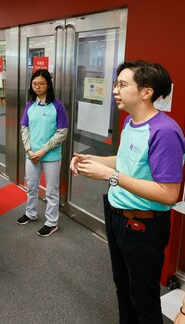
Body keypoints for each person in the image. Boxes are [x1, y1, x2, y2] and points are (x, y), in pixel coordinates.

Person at [70, 61, 185, 323]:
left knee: (143, 298)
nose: (115, 90)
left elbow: (168, 194)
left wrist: (111, 176)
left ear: (146, 92)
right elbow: (123, 163)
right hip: (116, 216)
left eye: (122, 84)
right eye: (115, 84)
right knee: (123, 288)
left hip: (142, 225)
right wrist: (91, 160)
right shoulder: (131, 122)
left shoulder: (164, 132)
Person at [17, 69, 69, 236]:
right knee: (31, 186)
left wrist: (43, 150)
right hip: (31, 155)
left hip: (51, 156)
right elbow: (24, 128)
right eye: (34, 84)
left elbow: (62, 132)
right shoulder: (29, 105)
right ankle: (31, 213)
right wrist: (30, 150)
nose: (37, 87)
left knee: (51, 191)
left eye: (41, 84)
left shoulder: (57, 106)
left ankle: (51, 222)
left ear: (48, 85)